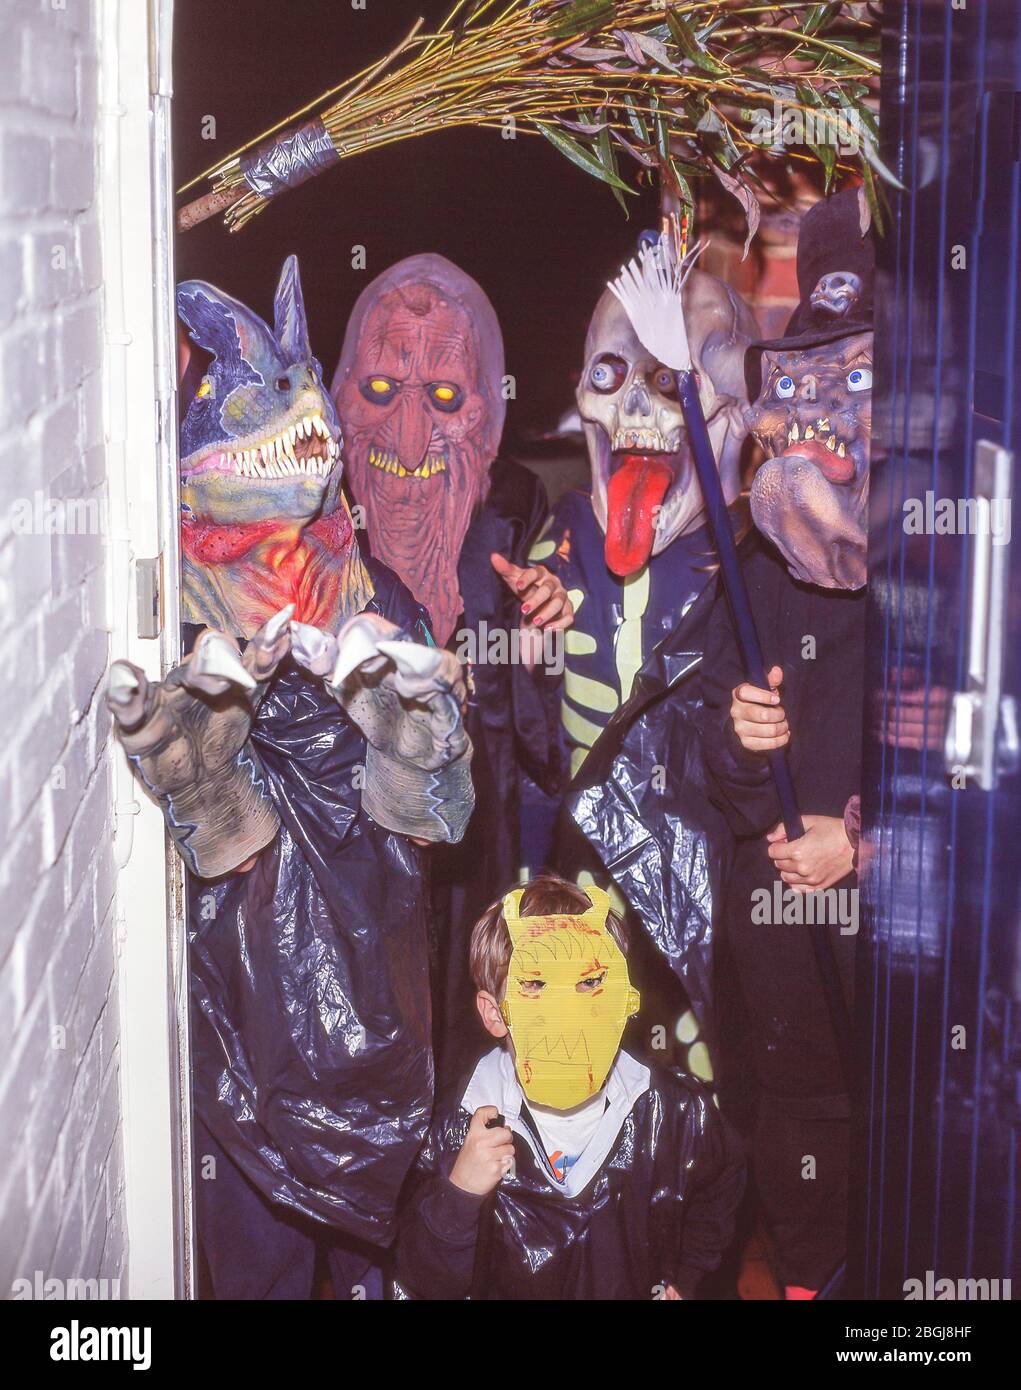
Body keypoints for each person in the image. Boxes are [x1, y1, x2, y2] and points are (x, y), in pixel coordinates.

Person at [699, 188, 872, 1298]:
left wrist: (867, 847)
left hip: (902, 978)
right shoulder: (753, 575)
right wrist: (736, 740)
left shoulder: (955, 577)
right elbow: (706, 781)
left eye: (851, 383)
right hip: (784, 969)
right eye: (798, 387)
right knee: (805, 1186)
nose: (815, 414)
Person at [394, 875, 744, 1300]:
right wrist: (459, 1195)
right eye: (535, 986)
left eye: (590, 983)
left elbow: (723, 1175)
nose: (568, 1013)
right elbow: (422, 1281)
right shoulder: (455, 1126)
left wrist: (687, 1276)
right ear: (494, 1013)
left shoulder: (673, 1111)